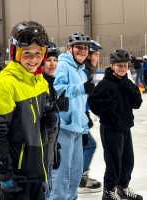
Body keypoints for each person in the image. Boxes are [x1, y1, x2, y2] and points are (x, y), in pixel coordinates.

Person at [0, 21, 55, 200]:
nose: (33, 60)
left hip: (38, 171)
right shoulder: (6, 84)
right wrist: (4, 172)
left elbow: (41, 126)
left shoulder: (40, 81)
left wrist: (53, 150)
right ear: (15, 53)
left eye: (37, 54)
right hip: (18, 176)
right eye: (27, 54)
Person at [88, 49, 143, 200]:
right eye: (119, 65)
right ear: (112, 66)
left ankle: (123, 188)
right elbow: (93, 104)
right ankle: (109, 191)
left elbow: (137, 103)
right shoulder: (105, 84)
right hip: (110, 129)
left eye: (125, 65)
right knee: (114, 162)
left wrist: (128, 88)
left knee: (128, 161)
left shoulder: (127, 82)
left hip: (125, 127)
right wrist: (108, 106)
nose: (122, 68)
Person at [49, 32, 94, 200]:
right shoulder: (63, 65)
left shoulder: (82, 71)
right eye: (79, 47)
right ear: (70, 49)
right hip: (63, 127)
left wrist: (84, 121)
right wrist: (81, 88)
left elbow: (80, 103)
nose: (83, 51)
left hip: (77, 128)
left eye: (85, 48)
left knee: (75, 173)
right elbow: (58, 89)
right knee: (61, 174)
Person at [43, 42, 69, 198]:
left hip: (51, 142)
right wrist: (54, 107)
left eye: (55, 60)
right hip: (40, 146)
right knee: (45, 183)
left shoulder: (55, 81)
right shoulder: (41, 82)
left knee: (50, 180)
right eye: (48, 60)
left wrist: (55, 148)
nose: (52, 64)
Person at [79, 40, 102, 193]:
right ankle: (81, 179)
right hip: (78, 116)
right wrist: (84, 114)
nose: (98, 57)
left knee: (83, 146)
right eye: (96, 54)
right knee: (89, 145)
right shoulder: (85, 71)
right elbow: (80, 95)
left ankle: (79, 176)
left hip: (81, 114)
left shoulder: (88, 70)